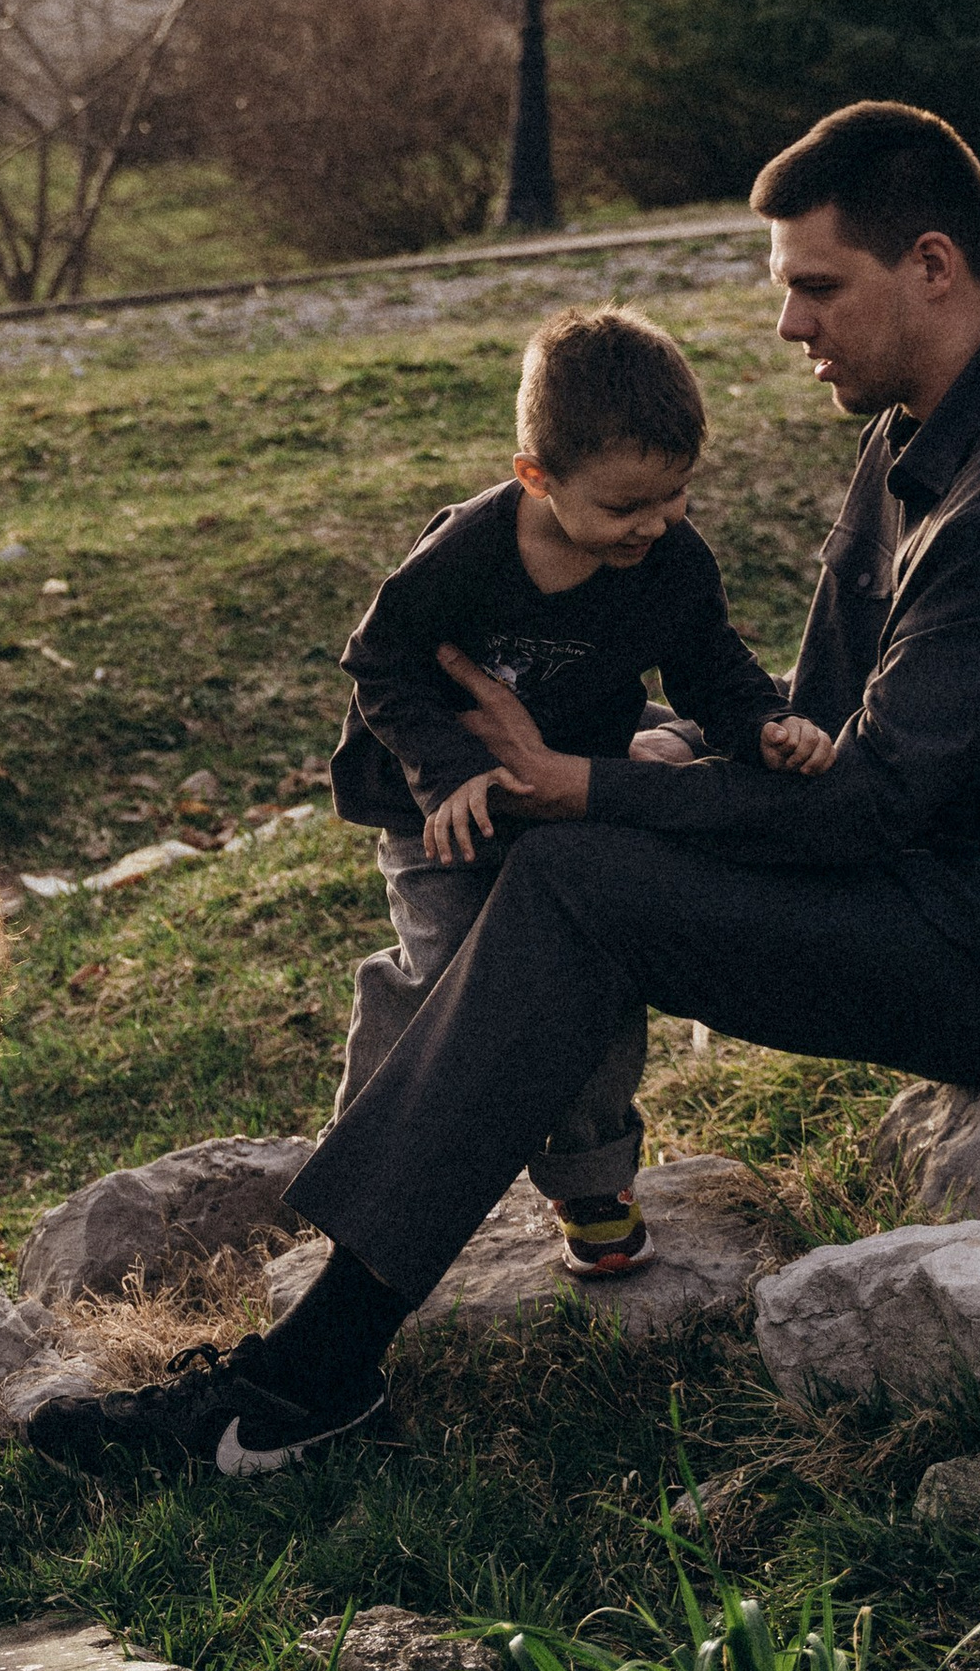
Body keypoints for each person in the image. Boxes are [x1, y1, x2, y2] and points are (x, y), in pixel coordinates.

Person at [31, 100, 980, 1480]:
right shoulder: (920, 432)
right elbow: (815, 734)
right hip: (942, 886)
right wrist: (674, 757)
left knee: (579, 873)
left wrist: (587, 784)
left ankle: (307, 1378)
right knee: (576, 864)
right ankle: (320, 1343)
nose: (789, 325)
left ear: (936, 267)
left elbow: (868, 803)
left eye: (815, 286)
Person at [324, 303, 831, 1282]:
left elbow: (710, 665)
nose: (651, 523)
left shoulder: (670, 562)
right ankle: (365, 1162)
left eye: (674, 494)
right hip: (444, 811)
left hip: (573, 796)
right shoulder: (466, 554)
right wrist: (451, 772)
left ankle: (592, 1181)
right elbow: (377, 663)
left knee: (587, 976)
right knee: (453, 981)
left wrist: (762, 725)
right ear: (535, 476)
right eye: (621, 507)